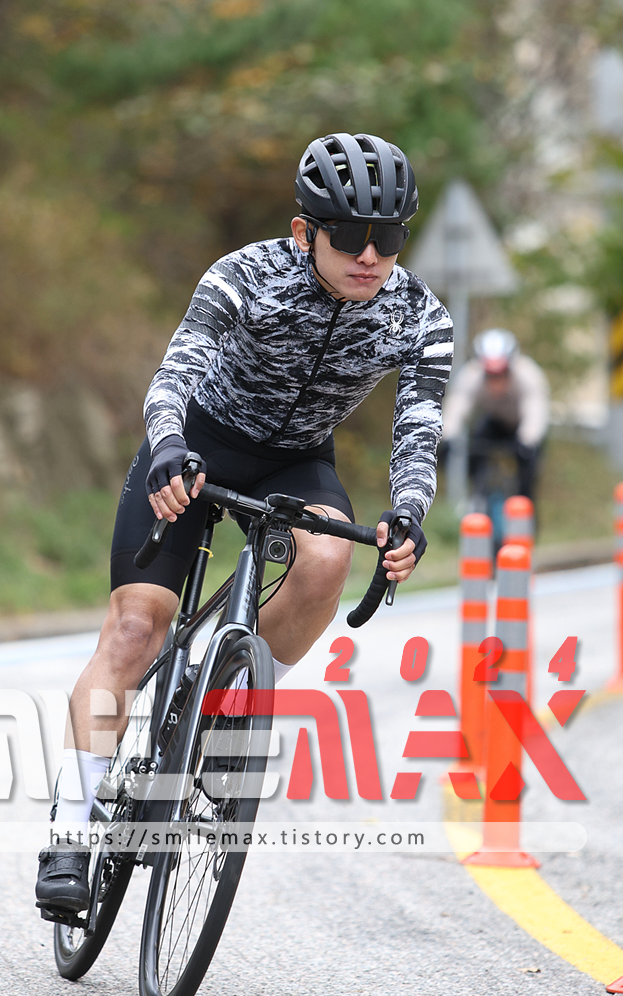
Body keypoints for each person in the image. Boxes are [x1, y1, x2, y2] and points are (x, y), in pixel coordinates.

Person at [36, 132, 454, 915]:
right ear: (304, 232)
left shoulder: (419, 314)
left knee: (327, 561)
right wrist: (168, 447)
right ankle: (69, 831)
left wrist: (408, 514)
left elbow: (418, 431)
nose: (370, 255)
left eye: (389, 237)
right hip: (197, 445)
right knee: (134, 631)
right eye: (350, 236)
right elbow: (177, 371)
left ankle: (228, 702)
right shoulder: (245, 275)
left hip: (298, 460)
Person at [441, 328, 550, 507]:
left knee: (527, 476)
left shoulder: (528, 375)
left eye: (501, 374)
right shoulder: (471, 375)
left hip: (522, 428)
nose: (495, 382)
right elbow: (458, 404)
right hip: (494, 422)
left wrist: (528, 440)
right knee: (474, 451)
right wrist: (447, 436)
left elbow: (535, 411)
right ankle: (479, 496)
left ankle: (526, 513)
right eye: (490, 375)